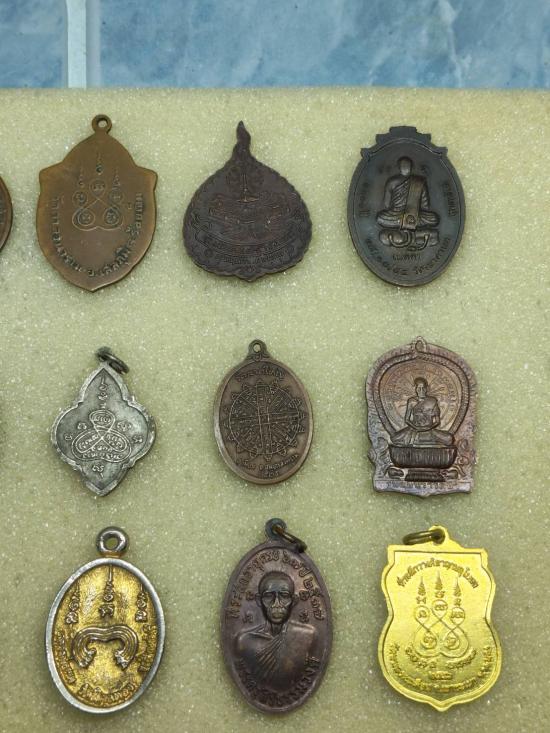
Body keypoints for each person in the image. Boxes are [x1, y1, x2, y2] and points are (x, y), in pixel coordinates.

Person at [235, 571, 316, 692]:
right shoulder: (245, 641)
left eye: (284, 596)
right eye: (269, 597)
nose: (276, 604)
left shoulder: (307, 636)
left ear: (294, 601)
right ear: (259, 601)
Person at [376, 157, 439, 248]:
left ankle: (400, 237)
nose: (406, 167)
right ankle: (418, 236)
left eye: (407, 165)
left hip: (401, 218)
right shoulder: (392, 182)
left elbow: (387, 204)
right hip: (401, 216)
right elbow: (425, 206)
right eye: (404, 165)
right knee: (380, 218)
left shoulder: (418, 181)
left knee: (434, 218)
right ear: (399, 167)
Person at [392, 377, 453, 447]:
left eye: (423, 388)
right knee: (394, 439)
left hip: (429, 429)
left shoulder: (432, 401)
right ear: (415, 389)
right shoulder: (412, 401)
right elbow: (407, 419)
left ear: (427, 388)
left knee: (449, 439)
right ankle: (420, 440)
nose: (421, 391)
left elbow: (437, 421)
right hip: (414, 429)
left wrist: (428, 427)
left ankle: (423, 440)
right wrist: (416, 427)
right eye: (419, 388)